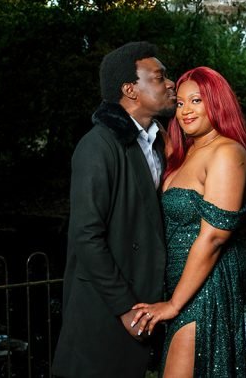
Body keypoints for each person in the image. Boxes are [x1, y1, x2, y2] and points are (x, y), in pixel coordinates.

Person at [52, 41, 177, 378]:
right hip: (105, 312)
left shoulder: (158, 143)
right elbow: (86, 236)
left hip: (150, 304)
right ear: (130, 89)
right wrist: (125, 309)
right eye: (159, 77)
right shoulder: (98, 145)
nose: (171, 83)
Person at [131, 66, 246, 377]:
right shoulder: (188, 152)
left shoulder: (227, 153)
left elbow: (214, 237)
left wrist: (174, 305)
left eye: (197, 101)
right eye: (180, 103)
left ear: (217, 103)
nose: (186, 110)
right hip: (182, 282)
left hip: (207, 286)